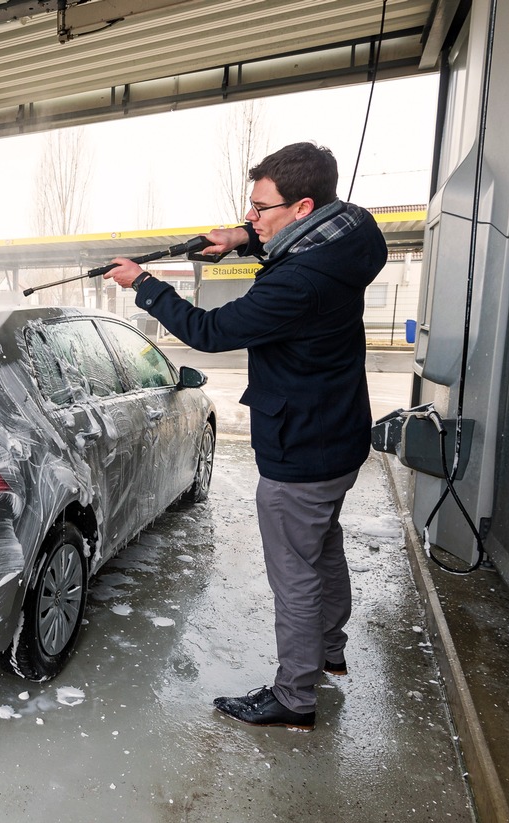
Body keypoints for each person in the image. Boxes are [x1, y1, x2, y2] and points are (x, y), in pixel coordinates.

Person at [104, 142, 388, 731]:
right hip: (341, 433)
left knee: (295, 572)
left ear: (302, 205)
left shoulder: (296, 285)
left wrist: (147, 285)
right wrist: (243, 239)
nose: (250, 217)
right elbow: (290, 236)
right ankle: (329, 650)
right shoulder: (354, 230)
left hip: (301, 445)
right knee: (322, 546)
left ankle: (294, 696)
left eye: (260, 209)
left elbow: (208, 331)